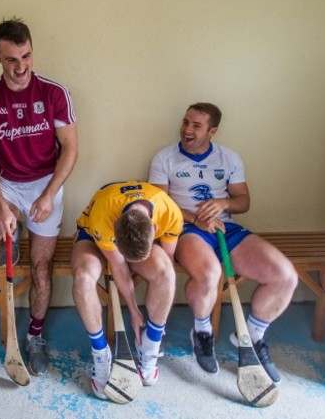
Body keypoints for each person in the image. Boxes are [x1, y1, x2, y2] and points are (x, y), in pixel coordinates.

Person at [0, 17, 78, 377]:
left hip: (46, 186)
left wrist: (48, 194)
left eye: (26, 56)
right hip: (8, 186)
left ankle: (35, 336)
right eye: (11, 59)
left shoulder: (54, 93)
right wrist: (0, 206)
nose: (21, 66)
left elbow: (71, 149)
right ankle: (9, 229)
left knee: (40, 270)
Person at [149, 102, 298, 382]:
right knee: (209, 275)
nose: (186, 130)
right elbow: (159, 204)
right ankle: (202, 332)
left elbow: (243, 202)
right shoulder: (164, 158)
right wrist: (195, 219)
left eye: (196, 125)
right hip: (186, 230)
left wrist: (224, 202)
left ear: (212, 131)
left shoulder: (229, 158)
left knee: (285, 276)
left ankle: (252, 336)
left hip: (227, 228)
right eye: (185, 122)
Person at [71, 181, 183, 398]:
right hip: (93, 234)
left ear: (156, 228)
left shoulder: (170, 212)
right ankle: (101, 353)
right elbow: (119, 266)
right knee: (84, 279)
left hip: (136, 237)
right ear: (114, 229)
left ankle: (150, 343)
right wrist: (133, 310)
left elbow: (168, 259)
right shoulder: (104, 213)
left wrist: (157, 321)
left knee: (166, 273)